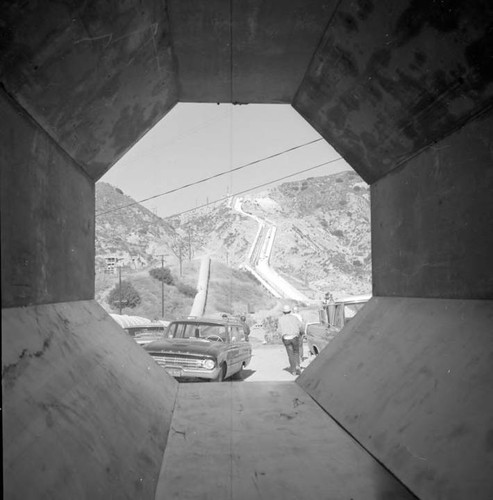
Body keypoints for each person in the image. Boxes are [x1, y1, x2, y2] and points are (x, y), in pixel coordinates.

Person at [278, 304, 303, 375]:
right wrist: (301, 333)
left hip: (286, 338)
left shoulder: (281, 319)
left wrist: (282, 336)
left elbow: (279, 331)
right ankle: (298, 366)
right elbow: (300, 326)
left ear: (283, 312)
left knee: (290, 354)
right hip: (295, 337)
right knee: (296, 352)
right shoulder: (294, 318)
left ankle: (293, 370)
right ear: (290, 311)